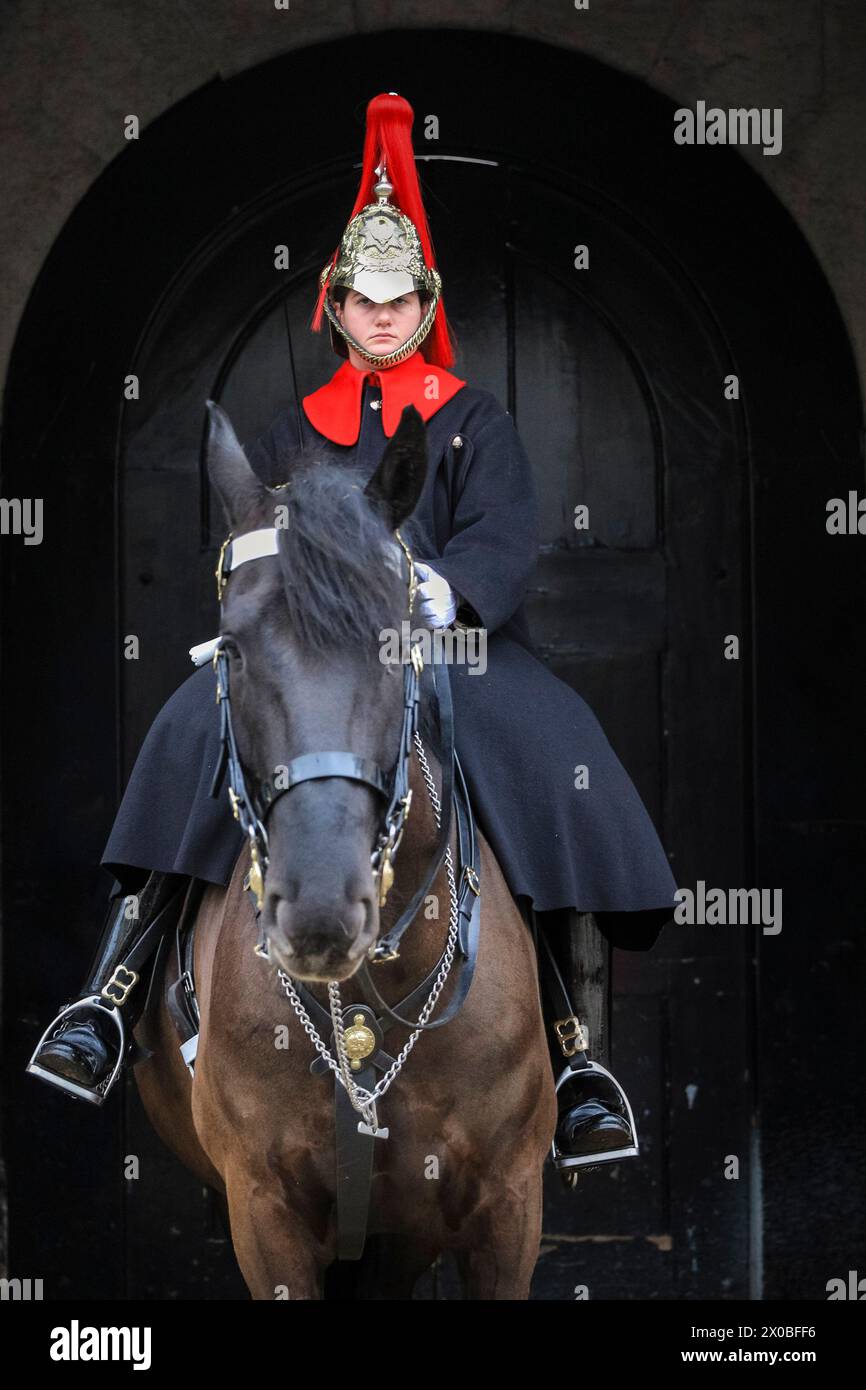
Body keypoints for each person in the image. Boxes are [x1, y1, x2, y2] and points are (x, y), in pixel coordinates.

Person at [28, 93, 678, 1176]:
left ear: (425, 304)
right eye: (363, 304)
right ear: (336, 306)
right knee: (196, 725)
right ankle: (109, 995)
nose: (381, 319)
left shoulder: (476, 419)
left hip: (451, 645)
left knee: (552, 751)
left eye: (399, 302)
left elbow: (507, 534)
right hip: (323, 649)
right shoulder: (296, 425)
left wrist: (444, 588)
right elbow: (266, 529)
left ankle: (573, 1060)